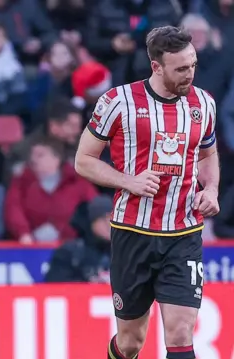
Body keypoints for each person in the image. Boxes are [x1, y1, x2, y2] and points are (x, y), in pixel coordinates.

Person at [75, 26, 220, 359]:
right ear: (157, 66)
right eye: (181, 69)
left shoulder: (203, 103)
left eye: (193, 65)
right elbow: (83, 161)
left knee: (182, 332)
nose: (190, 74)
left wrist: (210, 189)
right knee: (130, 341)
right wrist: (129, 181)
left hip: (184, 233)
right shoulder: (117, 102)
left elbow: (208, 153)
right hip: (132, 234)